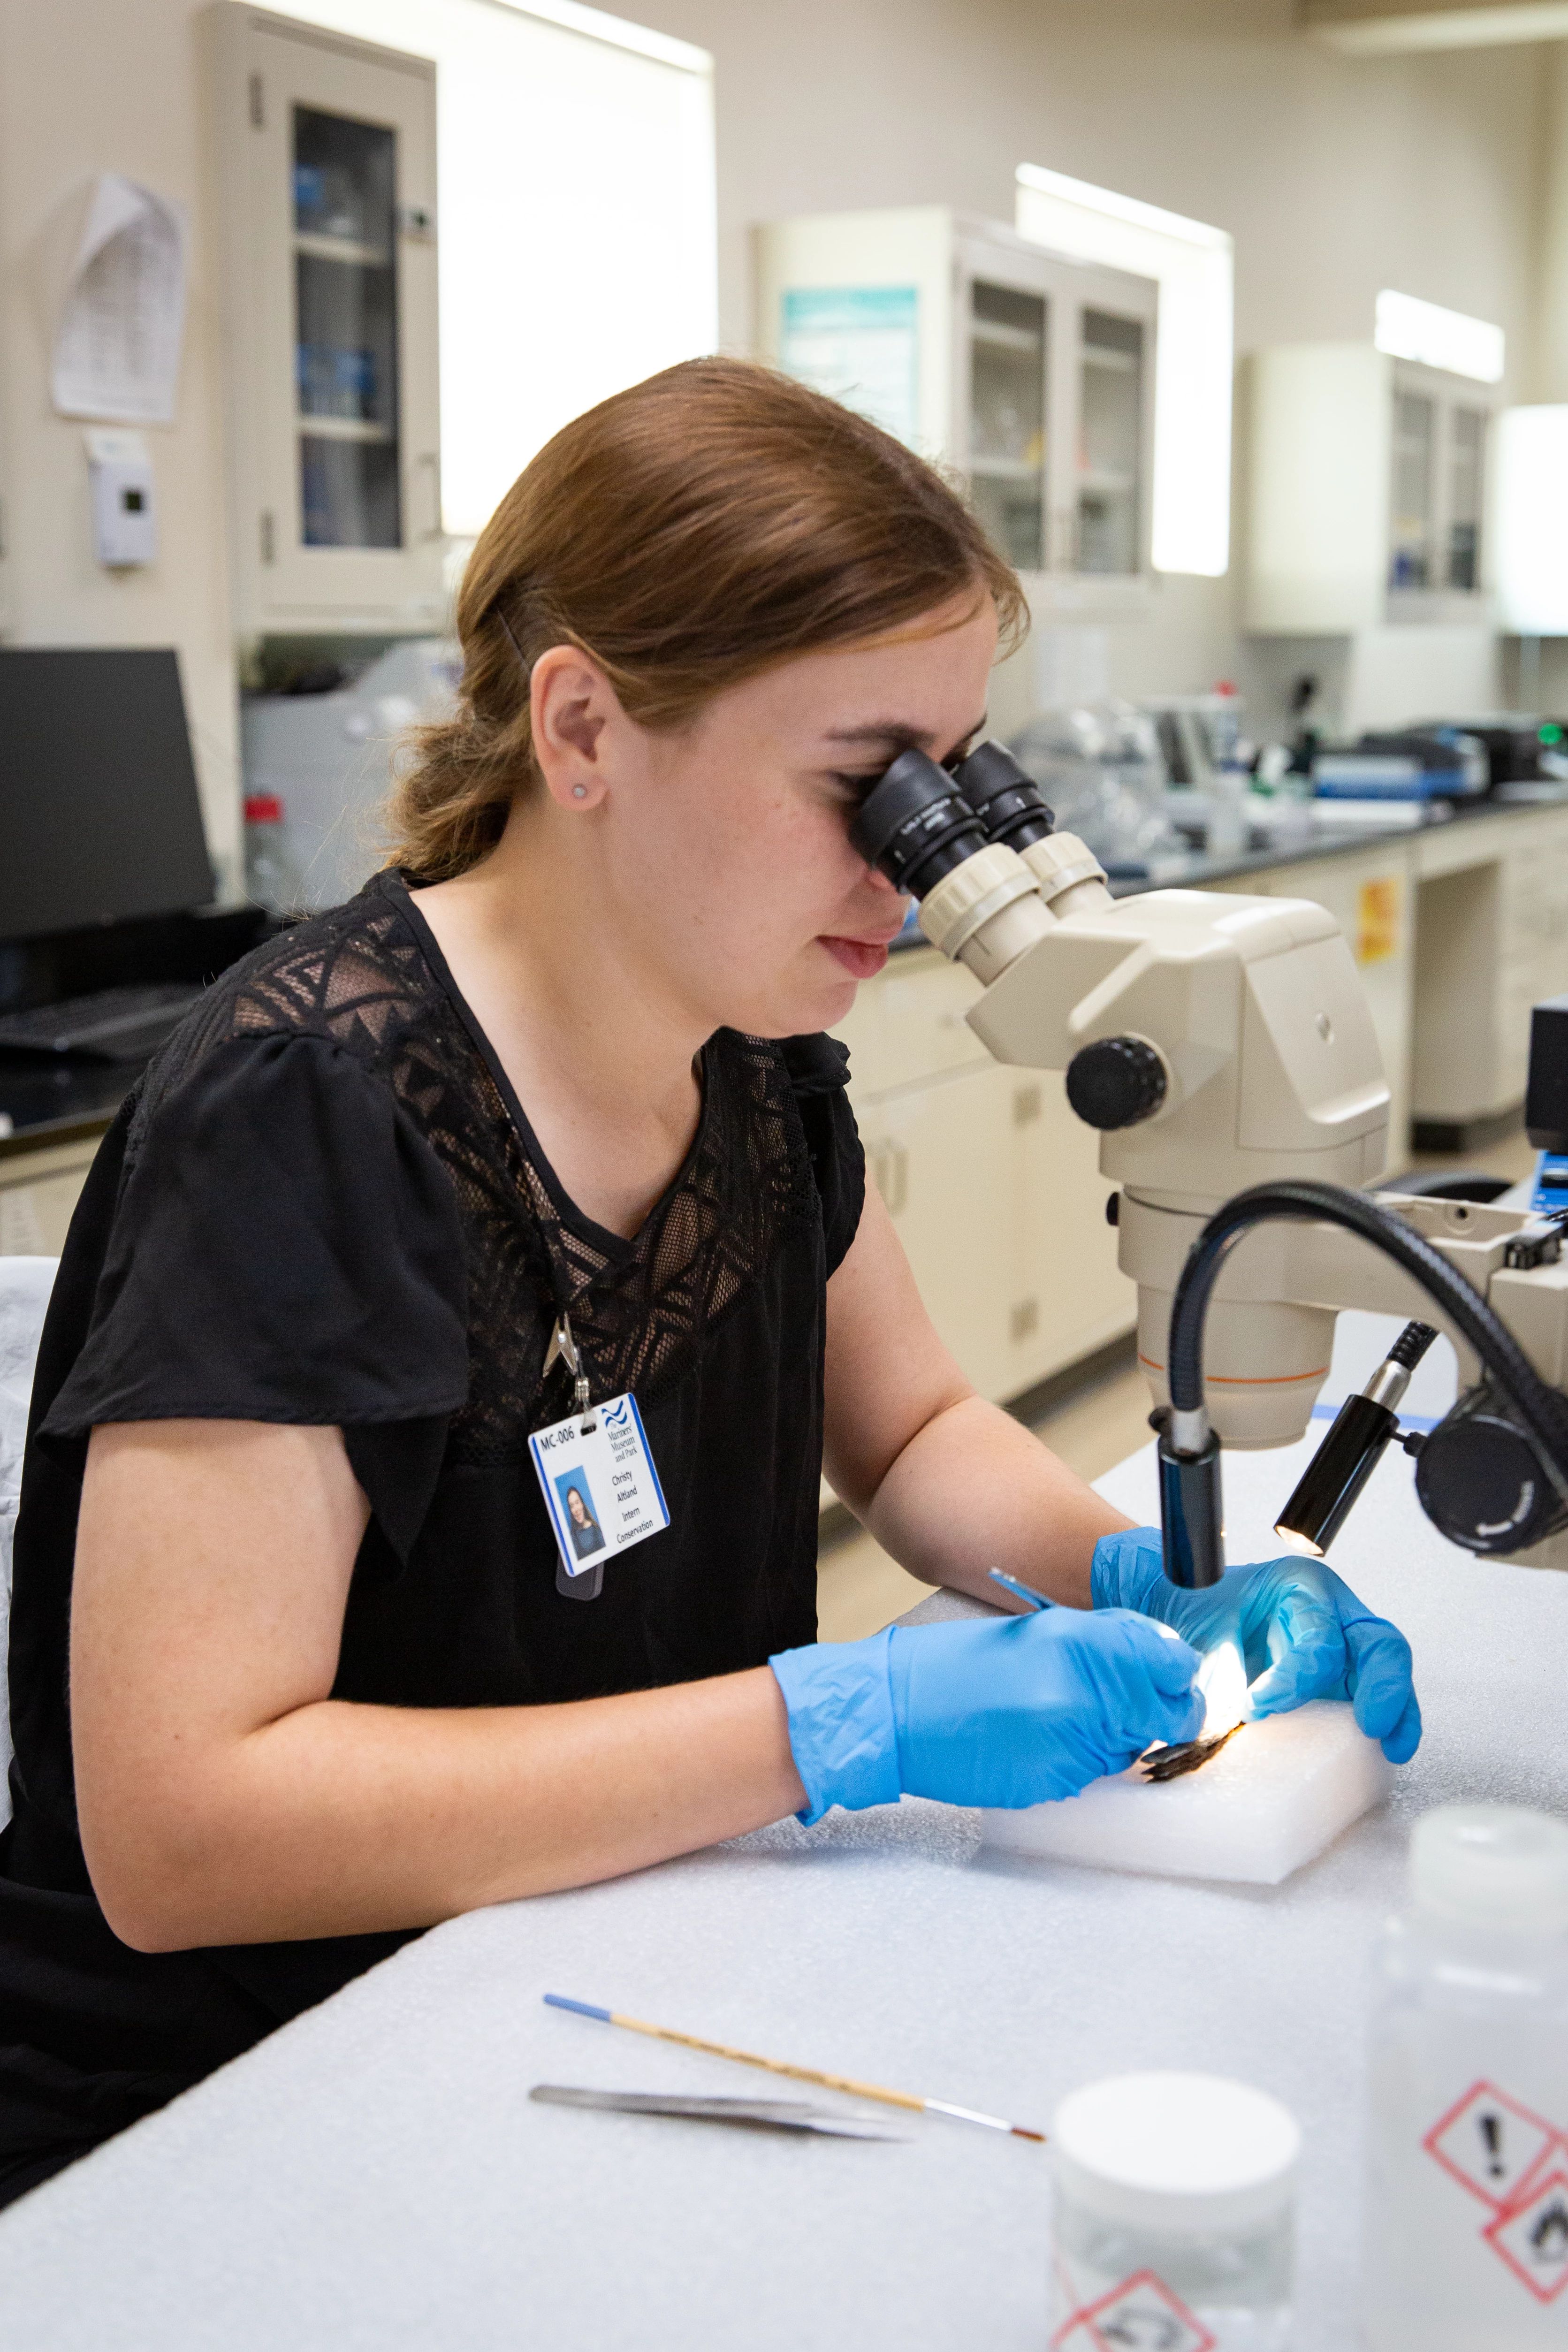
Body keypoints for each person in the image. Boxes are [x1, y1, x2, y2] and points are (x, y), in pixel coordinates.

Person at [0, 358, 1419, 2205]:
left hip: (600, 1972)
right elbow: (187, 1829)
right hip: (237, 2092)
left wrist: (1152, 1579)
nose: (921, 871)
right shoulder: (305, 1108)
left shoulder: (750, 1053)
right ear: (582, 728)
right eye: (868, 783)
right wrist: (840, 1724)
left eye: (954, 777)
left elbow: (905, 1425)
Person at [563, 1483, 604, 1560]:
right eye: (572, 1506)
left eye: (577, 1503)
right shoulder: (572, 1536)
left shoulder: (596, 1530)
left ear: (582, 1504)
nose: (576, 1510)